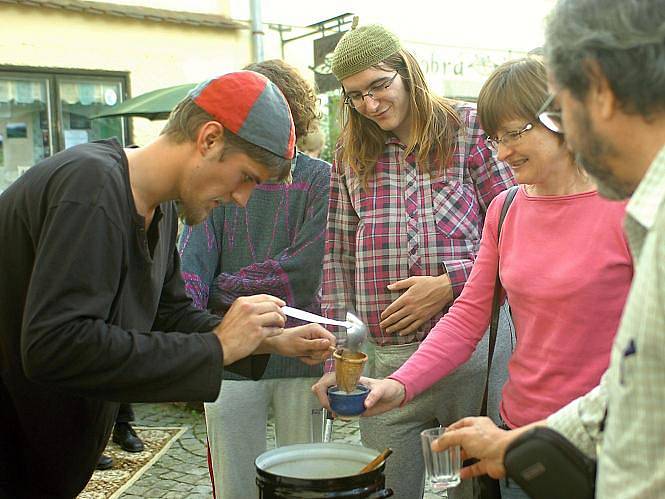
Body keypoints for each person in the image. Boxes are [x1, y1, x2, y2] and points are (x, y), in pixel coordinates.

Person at [0, 70, 335, 499]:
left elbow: (168, 315)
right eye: (247, 177)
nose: (243, 199)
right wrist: (218, 347)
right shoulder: (91, 186)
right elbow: (55, 346)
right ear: (209, 139)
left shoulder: (160, 210)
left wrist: (266, 342)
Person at [358, 55, 634, 499]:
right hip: (517, 435)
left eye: (514, 133)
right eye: (494, 138)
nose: (502, 152)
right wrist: (398, 384)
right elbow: (468, 316)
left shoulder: (629, 209)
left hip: (606, 441)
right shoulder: (505, 210)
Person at [431, 1, 665, 498]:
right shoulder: (512, 208)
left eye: (560, 108)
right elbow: (637, 382)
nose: (567, 129)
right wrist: (523, 443)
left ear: (598, 90)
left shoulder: (641, 211)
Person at [311, 21, 516, 499]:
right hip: (385, 362)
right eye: (355, 95)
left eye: (379, 85)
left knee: (474, 488)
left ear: (407, 72)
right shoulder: (349, 153)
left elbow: (517, 232)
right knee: (388, 487)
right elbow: (337, 259)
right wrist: (336, 361)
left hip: (475, 357)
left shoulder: (469, 130)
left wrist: (450, 283)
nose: (370, 104)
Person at [178, 59, 331, 499]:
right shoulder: (222, 170)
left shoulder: (321, 178)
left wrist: (225, 290)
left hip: (301, 350)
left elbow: (305, 269)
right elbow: (192, 263)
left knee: (307, 484)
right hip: (230, 354)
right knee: (235, 486)